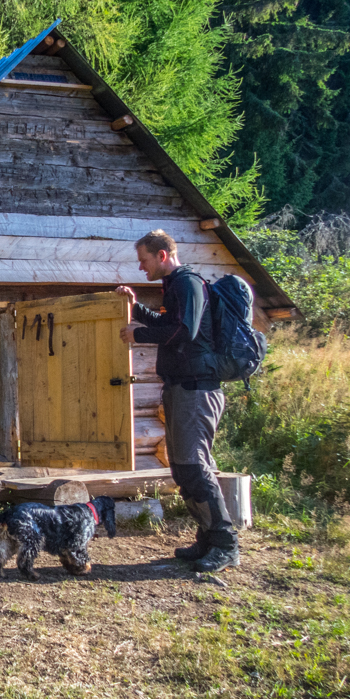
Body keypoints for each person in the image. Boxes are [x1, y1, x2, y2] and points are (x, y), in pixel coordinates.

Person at [116, 229, 240, 573]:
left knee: (194, 466)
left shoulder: (187, 284)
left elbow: (183, 331)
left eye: (143, 260)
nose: (141, 268)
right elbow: (169, 324)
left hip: (197, 389)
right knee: (183, 467)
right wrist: (136, 308)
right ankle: (207, 537)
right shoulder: (175, 287)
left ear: (162, 256)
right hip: (183, 388)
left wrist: (137, 333)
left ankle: (225, 543)